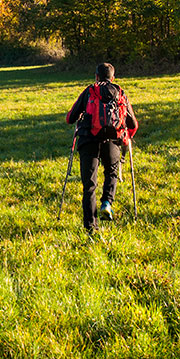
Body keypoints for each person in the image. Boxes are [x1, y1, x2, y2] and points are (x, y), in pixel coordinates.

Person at [65, 62, 138, 234]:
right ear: (113, 78)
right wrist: (126, 137)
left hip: (88, 140)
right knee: (112, 172)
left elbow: (70, 118)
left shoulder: (90, 91)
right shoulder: (120, 93)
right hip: (112, 140)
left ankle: (91, 228)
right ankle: (107, 202)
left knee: (89, 185)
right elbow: (133, 124)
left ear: (96, 77)